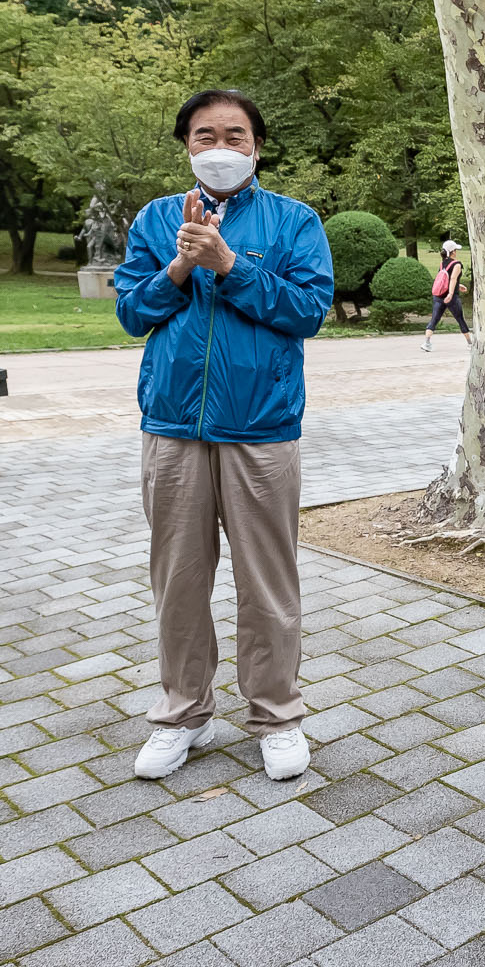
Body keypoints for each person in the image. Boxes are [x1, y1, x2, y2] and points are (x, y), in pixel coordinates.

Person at [115, 89, 335, 783]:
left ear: (257, 146)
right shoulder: (156, 218)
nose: (220, 147)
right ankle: (184, 713)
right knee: (177, 581)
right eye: (205, 135)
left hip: (261, 427)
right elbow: (130, 310)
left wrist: (231, 265)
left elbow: (307, 310)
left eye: (235, 135)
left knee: (268, 581)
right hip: (174, 426)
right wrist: (180, 265)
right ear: (186, 145)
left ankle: (276, 715)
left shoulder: (295, 221)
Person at [422, 238, 469, 351]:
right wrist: (451, 293)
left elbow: (443, 280)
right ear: (453, 251)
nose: (456, 252)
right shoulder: (457, 264)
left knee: (434, 319)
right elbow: (452, 279)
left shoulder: (442, 263)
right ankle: (470, 343)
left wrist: (459, 285)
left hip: (439, 296)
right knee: (460, 319)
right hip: (451, 297)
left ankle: (427, 343)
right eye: (455, 250)